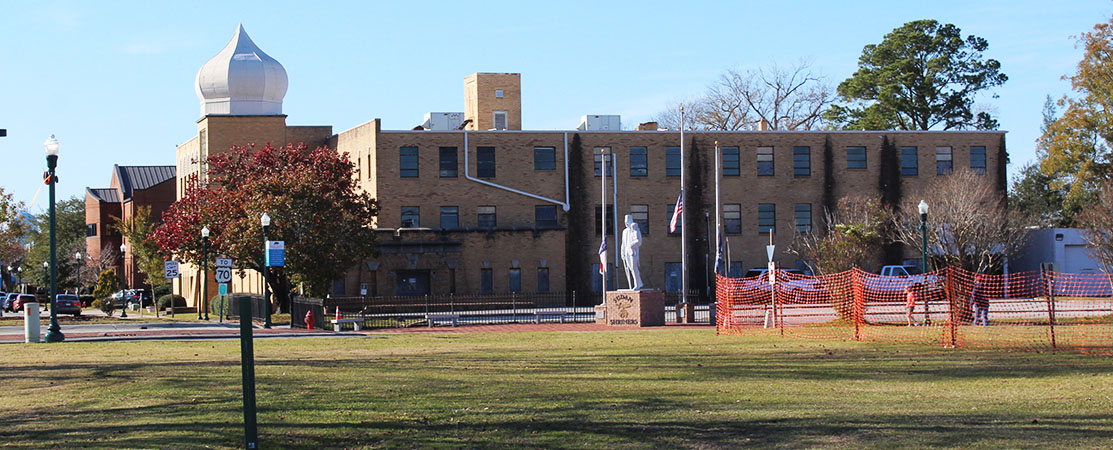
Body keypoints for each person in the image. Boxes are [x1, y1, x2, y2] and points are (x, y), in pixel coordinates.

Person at [620, 214, 644, 290]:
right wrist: (622, 252)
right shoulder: (624, 231)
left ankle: (637, 284)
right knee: (630, 268)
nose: (626, 223)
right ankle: (638, 283)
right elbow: (623, 243)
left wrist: (631, 245)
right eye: (625, 221)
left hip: (633, 251)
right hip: (627, 251)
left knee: (634, 268)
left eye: (628, 221)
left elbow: (639, 241)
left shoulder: (635, 230)